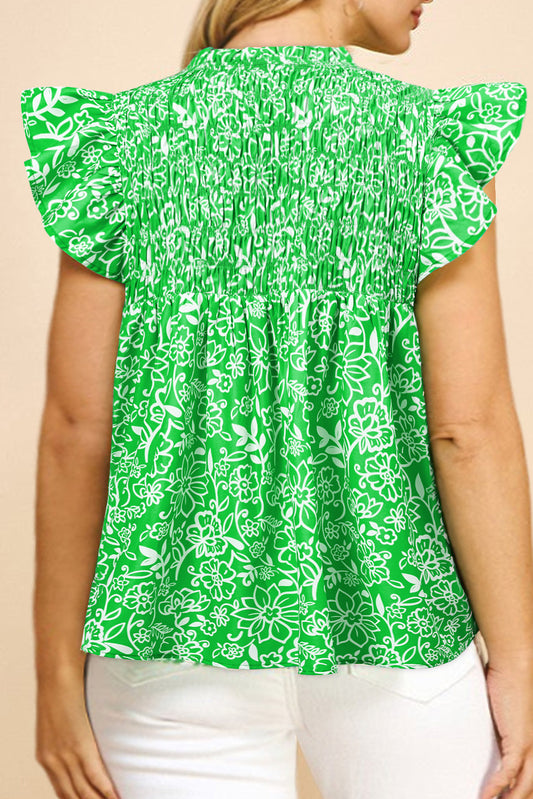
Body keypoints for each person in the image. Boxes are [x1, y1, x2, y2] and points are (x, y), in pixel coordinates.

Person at [20, 0, 533, 797]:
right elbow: (466, 430)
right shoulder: (426, 140)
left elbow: (77, 429)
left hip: (167, 641)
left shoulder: (121, 141)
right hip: (396, 634)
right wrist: (521, 662)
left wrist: (55, 676)